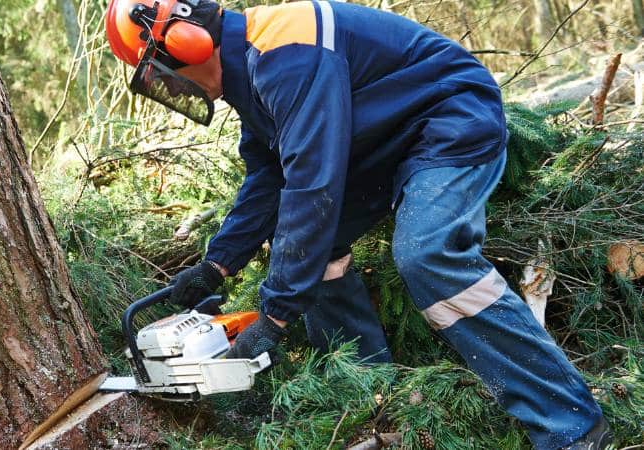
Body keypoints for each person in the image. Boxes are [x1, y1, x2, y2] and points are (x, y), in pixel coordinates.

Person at [105, 0, 613, 448]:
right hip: (381, 143)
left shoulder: (287, 52)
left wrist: (275, 317)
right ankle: (369, 394)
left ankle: (571, 424)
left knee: (428, 254)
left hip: (448, 118)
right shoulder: (252, 74)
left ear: (187, 45)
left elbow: (312, 186)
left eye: (162, 74)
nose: (171, 87)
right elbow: (268, 178)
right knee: (314, 248)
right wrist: (216, 266)